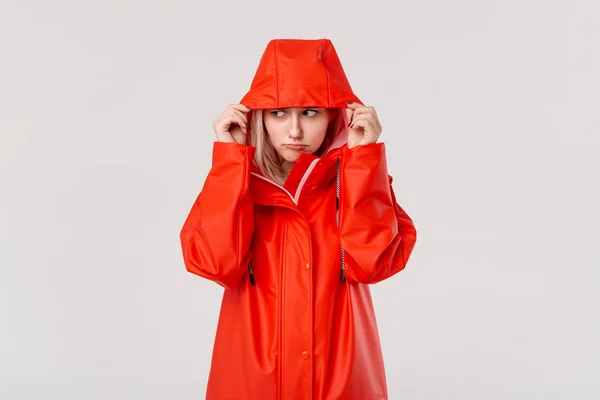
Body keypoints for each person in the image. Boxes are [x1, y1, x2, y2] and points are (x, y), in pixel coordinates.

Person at [179, 38, 417, 400]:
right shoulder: (237, 186)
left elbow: (375, 263)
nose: (294, 131)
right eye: (278, 113)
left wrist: (364, 160)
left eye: (309, 112)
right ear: (259, 117)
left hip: (341, 382)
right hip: (252, 382)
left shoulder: (353, 182)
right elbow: (213, 263)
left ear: (335, 115)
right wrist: (230, 159)